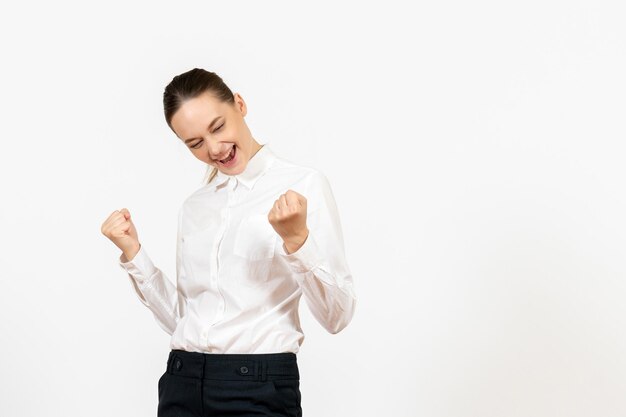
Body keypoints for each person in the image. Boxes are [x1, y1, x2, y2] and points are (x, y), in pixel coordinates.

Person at [100, 68, 357, 417]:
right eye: (195, 143)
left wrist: (298, 241)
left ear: (239, 104)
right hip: (181, 381)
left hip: (258, 388)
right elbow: (183, 320)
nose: (215, 149)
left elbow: (336, 316)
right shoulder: (195, 206)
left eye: (218, 127)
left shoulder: (302, 185)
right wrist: (133, 253)